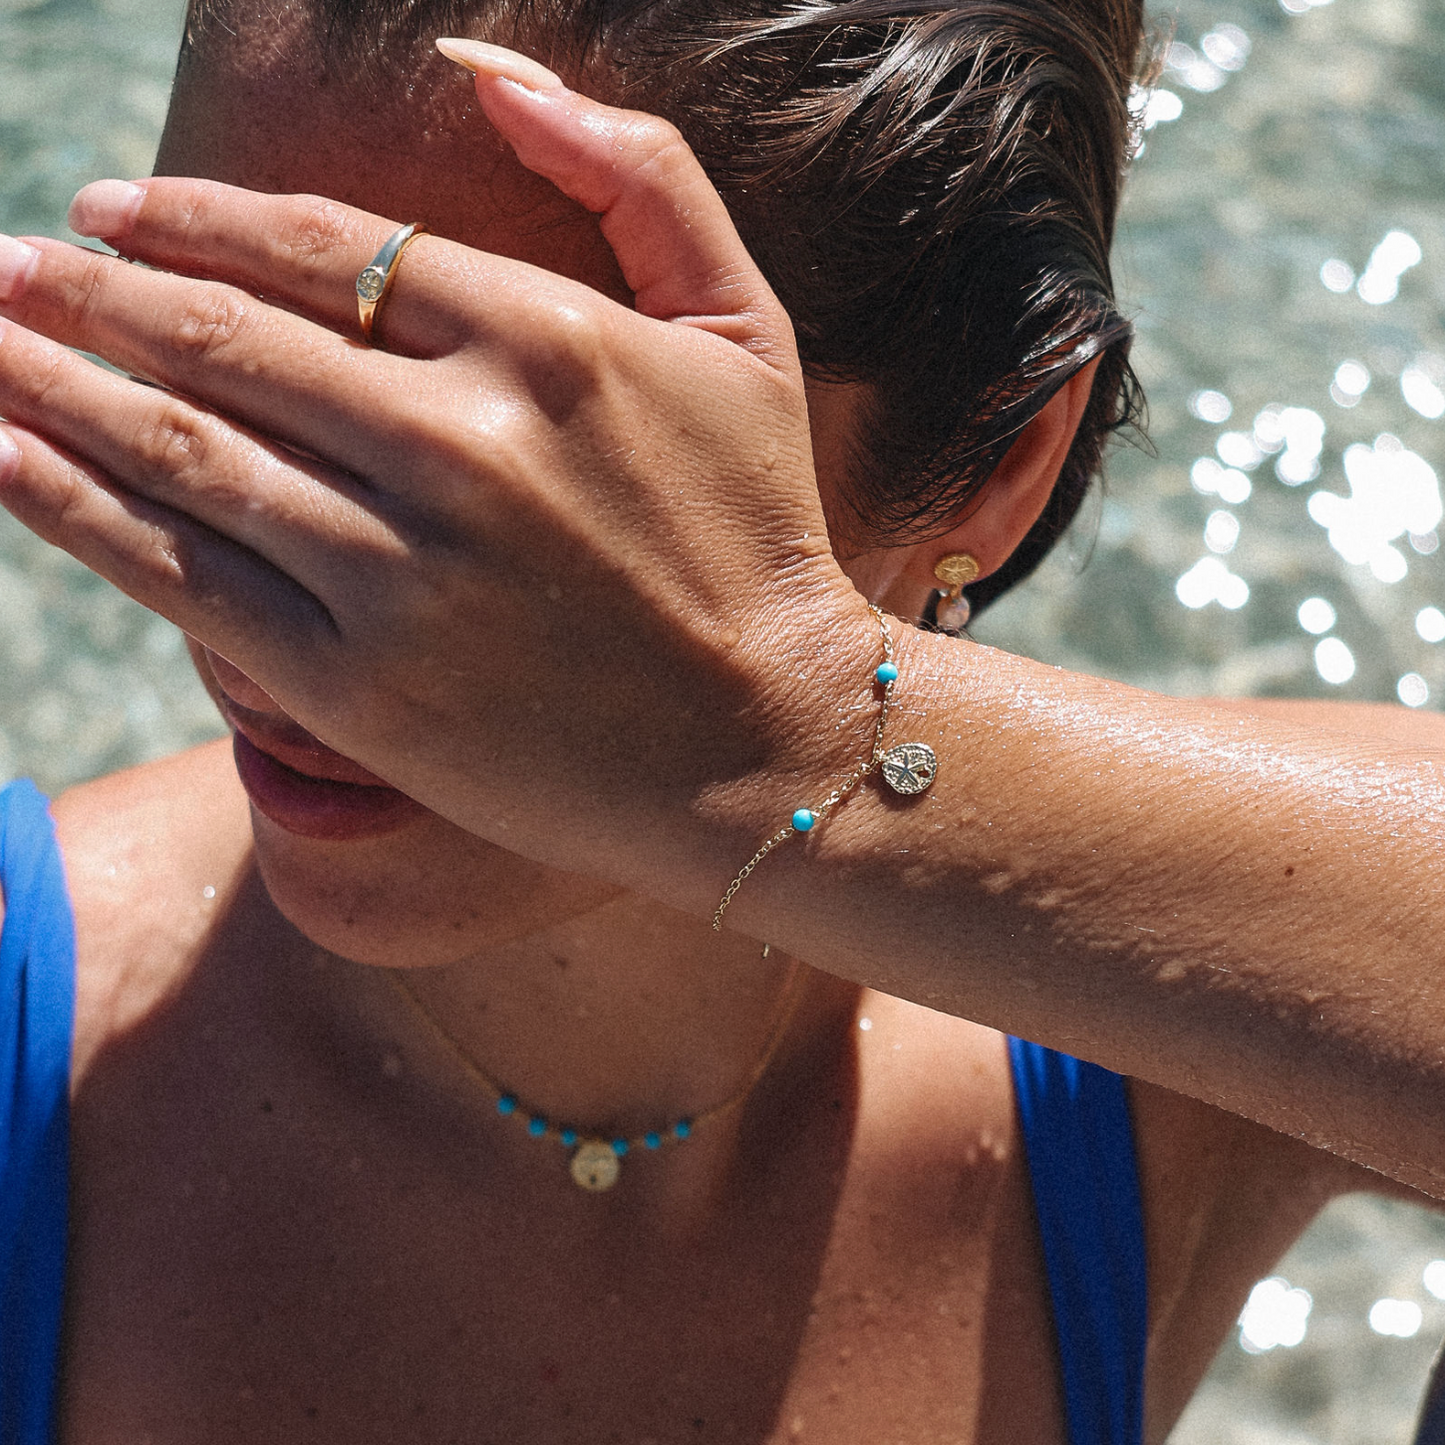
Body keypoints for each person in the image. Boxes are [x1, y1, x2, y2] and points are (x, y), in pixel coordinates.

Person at [1, 2, 1444, 1444]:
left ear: (1002, 460)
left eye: (475, 470)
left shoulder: (1180, 1047)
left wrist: (803, 729)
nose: (265, 580)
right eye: (209, 356)